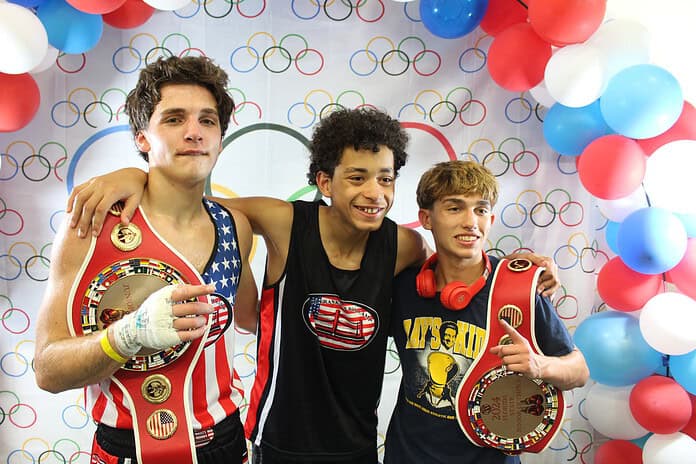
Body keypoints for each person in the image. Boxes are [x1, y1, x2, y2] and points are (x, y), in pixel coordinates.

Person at [65, 108, 560, 463]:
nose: (374, 193)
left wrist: (516, 272)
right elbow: (206, 205)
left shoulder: (405, 246)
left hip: (360, 440)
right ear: (325, 182)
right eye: (357, 177)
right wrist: (136, 172)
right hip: (281, 437)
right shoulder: (284, 223)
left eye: (385, 179)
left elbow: (456, 283)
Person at [34, 56, 258, 463]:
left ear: (221, 137)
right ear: (141, 137)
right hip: (128, 446)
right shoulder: (94, 222)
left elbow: (251, 318)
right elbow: (47, 370)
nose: (194, 132)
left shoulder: (234, 226)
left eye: (208, 121)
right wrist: (126, 336)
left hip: (225, 442)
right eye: (174, 119)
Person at [383, 161, 589, 464]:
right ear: (426, 218)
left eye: (480, 210)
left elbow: (580, 370)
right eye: (454, 209)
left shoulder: (518, 288)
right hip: (407, 456)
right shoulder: (403, 287)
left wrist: (540, 366)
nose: (470, 222)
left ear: (490, 218)